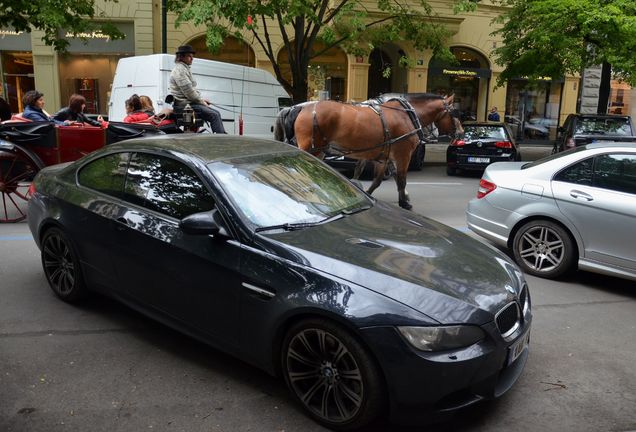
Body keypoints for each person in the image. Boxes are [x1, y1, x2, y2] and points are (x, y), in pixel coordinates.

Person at [169, 44, 226, 133]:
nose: (192, 58)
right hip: (185, 106)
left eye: (192, 56)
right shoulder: (180, 70)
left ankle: (221, 135)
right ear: (181, 57)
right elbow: (190, 93)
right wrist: (202, 102)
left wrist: (201, 100)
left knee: (216, 113)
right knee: (214, 115)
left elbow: (190, 92)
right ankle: (220, 139)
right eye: (189, 56)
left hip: (189, 103)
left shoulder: (184, 68)